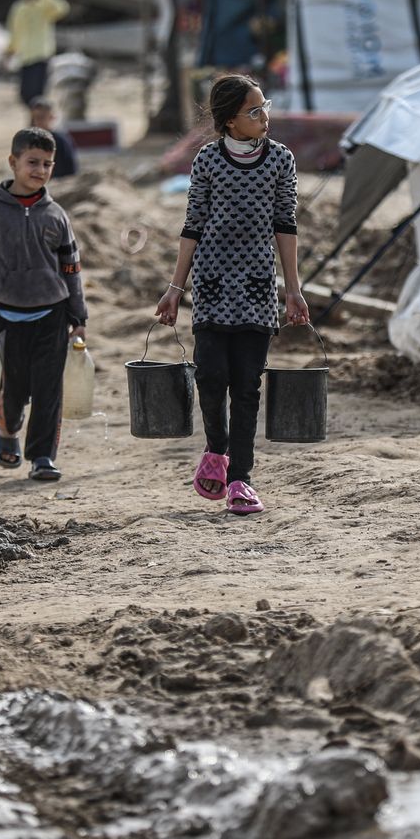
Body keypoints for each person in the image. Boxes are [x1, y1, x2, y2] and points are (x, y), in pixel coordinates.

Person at [155, 74, 309, 517]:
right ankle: (215, 451)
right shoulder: (207, 161)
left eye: (265, 107)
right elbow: (193, 226)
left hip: (259, 287)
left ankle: (241, 478)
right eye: (254, 110)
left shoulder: (281, 160)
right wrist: (174, 288)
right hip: (212, 283)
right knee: (209, 374)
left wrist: (292, 290)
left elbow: (286, 225)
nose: (265, 117)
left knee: (247, 384)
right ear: (229, 121)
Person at [0, 127, 88, 483]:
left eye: (48, 164)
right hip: (8, 315)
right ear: (13, 162)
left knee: (48, 388)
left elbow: (72, 270)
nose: (40, 170)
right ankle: (7, 428)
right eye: (33, 162)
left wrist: (79, 317)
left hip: (54, 314)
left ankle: (42, 456)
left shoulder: (57, 216)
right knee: (13, 387)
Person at [4, 0, 69, 111]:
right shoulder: (19, 8)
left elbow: (63, 8)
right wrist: (10, 51)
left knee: (39, 96)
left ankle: (38, 124)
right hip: (25, 57)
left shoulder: (44, 7)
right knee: (25, 95)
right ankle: (34, 122)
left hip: (41, 55)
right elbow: (15, 31)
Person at [27, 97, 79, 179]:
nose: (38, 121)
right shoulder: (29, 140)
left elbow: (71, 169)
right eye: (36, 118)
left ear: (51, 117)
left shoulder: (61, 140)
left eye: (42, 117)